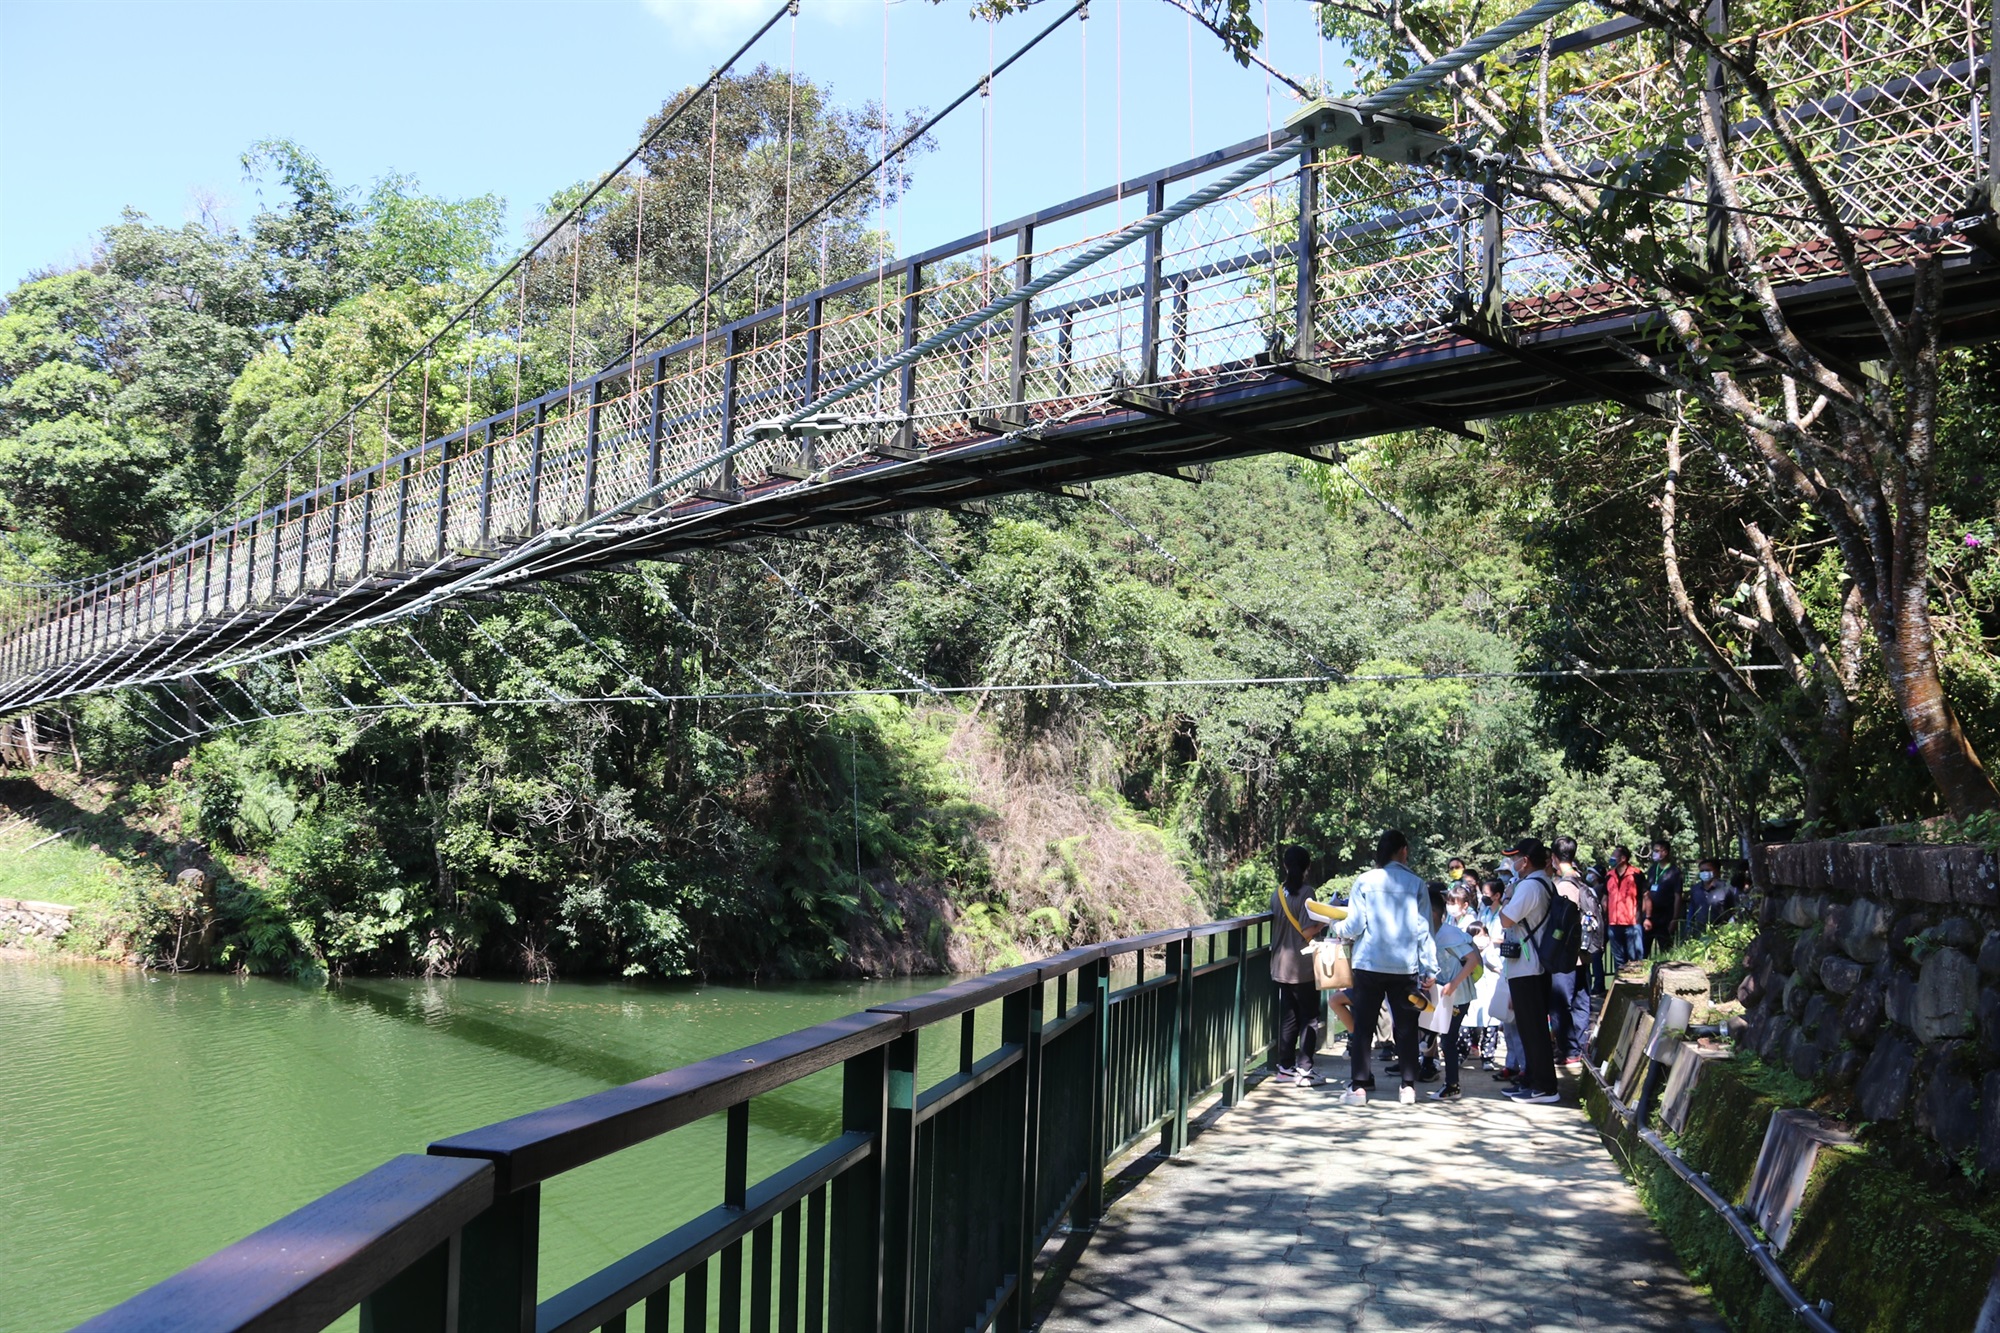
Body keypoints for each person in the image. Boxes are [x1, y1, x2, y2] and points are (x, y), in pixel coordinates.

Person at [1329, 829, 1438, 1106]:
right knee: (1406, 1027)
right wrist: (1429, 970)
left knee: (1364, 1027)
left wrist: (1334, 925)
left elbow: (1354, 926)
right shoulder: (1416, 884)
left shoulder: (1365, 881)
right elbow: (1424, 930)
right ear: (1403, 850)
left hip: (1369, 964)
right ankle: (1408, 1087)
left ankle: (1360, 1088)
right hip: (1404, 966)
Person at [1498, 836, 1561, 1104]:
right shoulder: (1542, 884)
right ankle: (1532, 1079)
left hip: (1528, 966)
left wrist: (1506, 899)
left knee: (1533, 1029)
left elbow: (1505, 919)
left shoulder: (1529, 887)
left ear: (1525, 861)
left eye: (1515, 858)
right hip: (1532, 965)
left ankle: (1544, 1086)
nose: (1513, 863)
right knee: (1530, 1027)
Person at [1268, 846, 1326, 1087]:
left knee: (1289, 1017)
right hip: (1302, 966)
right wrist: (1324, 922)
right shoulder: (1307, 893)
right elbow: (1306, 931)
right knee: (1310, 1018)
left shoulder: (1277, 893)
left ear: (1285, 866)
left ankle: (1285, 1066)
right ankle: (1305, 1069)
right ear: (1307, 867)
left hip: (1280, 965)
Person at [1425, 884, 1481, 1102]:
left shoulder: (1450, 934)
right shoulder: (1434, 934)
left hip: (1458, 996)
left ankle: (1452, 1086)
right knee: (1444, 1036)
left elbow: (1472, 960)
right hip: (1445, 994)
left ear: (1433, 914)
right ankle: (1450, 1083)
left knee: (1448, 1039)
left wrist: (1453, 984)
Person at [1548, 836, 1597, 1076]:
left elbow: (1559, 923)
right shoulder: (1583, 883)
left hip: (1566, 956)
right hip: (1584, 954)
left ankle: (1568, 1050)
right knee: (1581, 1000)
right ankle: (1579, 1047)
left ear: (1554, 858)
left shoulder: (1563, 886)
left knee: (1560, 1003)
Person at [1603, 845, 1645, 972]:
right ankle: (1620, 987)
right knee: (1619, 961)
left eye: (1614, 855)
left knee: (1635, 960)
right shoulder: (1609, 876)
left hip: (1631, 924)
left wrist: (1645, 917)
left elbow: (1645, 896)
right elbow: (1605, 897)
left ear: (1623, 858)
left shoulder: (1636, 874)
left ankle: (1637, 989)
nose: (1611, 858)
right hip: (1613, 924)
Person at [1645, 840, 1685, 956]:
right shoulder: (1653, 869)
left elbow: (1678, 896)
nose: (1654, 853)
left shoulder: (1674, 872)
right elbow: (1646, 892)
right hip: (1650, 917)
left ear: (1665, 852)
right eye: (1654, 851)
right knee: (1644, 950)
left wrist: (1674, 919)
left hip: (1665, 917)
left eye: (1657, 851)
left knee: (1666, 950)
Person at [1685, 856, 1736, 933]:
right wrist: (1688, 926)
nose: (1704, 873)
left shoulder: (1726, 889)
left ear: (1717, 871)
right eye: (1702, 871)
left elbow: (1734, 912)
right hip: (1700, 933)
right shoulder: (1695, 889)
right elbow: (1692, 910)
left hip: (1721, 933)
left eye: (1708, 870)